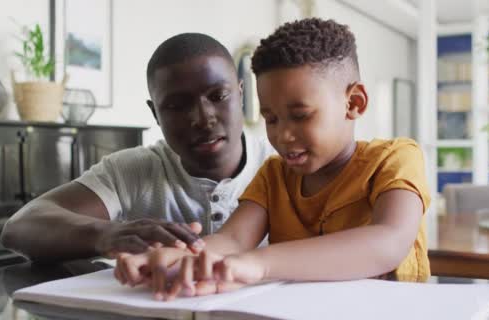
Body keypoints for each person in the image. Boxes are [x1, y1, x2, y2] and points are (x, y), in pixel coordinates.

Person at [114, 18, 431, 301]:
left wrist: (258, 263)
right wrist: (174, 257)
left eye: (300, 116)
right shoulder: (274, 174)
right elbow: (233, 239)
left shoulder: (395, 158)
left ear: (354, 103)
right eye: (271, 119)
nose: (283, 135)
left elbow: (387, 243)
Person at [1, 33, 276, 262]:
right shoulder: (134, 170)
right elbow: (20, 226)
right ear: (155, 113)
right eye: (177, 105)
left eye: (218, 96)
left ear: (241, 94)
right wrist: (107, 234)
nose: (203, 119)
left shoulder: (283, 166)